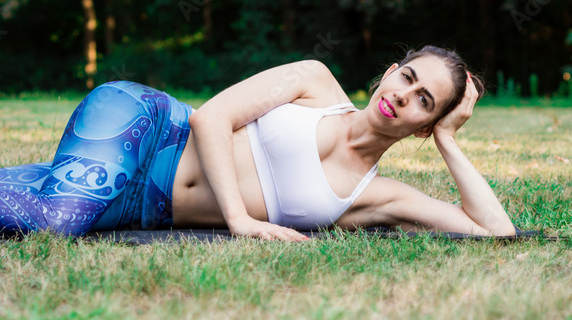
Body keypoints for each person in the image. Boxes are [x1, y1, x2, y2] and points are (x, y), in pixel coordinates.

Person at [0, 45, 516, 240]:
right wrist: (241, 222)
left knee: (35, 208)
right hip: (147, 128)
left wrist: (449, 139)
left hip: (145, 208)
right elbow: (210, 119)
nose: (404, 95)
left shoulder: (374, 196)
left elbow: (494, 231)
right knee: (58, 219)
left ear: (426, 127)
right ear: (389, 72)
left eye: (426, 101)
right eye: (407, 77)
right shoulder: (315, 81)